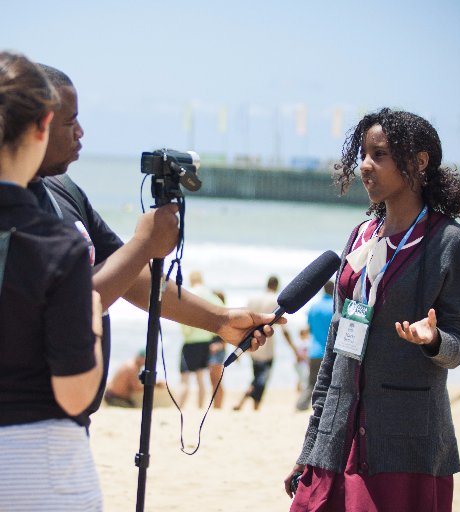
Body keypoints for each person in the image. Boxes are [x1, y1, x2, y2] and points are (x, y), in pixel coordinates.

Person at [30, 64, 284, 426]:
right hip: (26, 417)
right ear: (36, 125)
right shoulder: (14, 208)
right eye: (70, 122)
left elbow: (132, 277)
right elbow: (67, 305)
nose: (81, 132)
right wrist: (143, 243)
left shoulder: (64, 189)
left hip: (70, 422)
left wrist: (220, 320)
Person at [284, 108, 460, 512]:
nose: (365, 166)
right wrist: (312, 444)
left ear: (420, 161)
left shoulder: (451, 244)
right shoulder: (360, 237)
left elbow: (457, 344)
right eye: (362, 154)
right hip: (338, 439)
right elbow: (337, 345)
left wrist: (433, 340)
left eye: (379, 155)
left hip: (404, 444)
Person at [0, 51, 104, 510]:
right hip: (37, 464)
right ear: (42, 125)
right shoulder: (57, 245)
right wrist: (93, 321)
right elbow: (75, 392)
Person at [234, 276, 301, 411]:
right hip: (266, 346)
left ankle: (249, 405)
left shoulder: (254, 298)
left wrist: (238, 347)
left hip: (251, 344)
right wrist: (294, 348)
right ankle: (252, 405)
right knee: (261, 380)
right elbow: (284, 330)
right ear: (276, 285)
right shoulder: (276, 300)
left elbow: (244, 321)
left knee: (257, 376)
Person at [178, 271, 224, 409]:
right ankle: (199, 408)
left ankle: (180, 407)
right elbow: (222, 311)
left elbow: (182, 316)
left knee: (184, 379)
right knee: (200, 379)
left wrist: (186, 332)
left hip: (190, 341)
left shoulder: (188, 293)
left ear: (191, 280)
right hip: (206, 342)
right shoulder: (211, 296)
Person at [296, 280, 334, 411]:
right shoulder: (335, 307)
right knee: (331, 384)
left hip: (314, 351)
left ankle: (300, 405)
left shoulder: (314, 307)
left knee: (312, 383)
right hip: (331, 352)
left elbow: (310, 329)